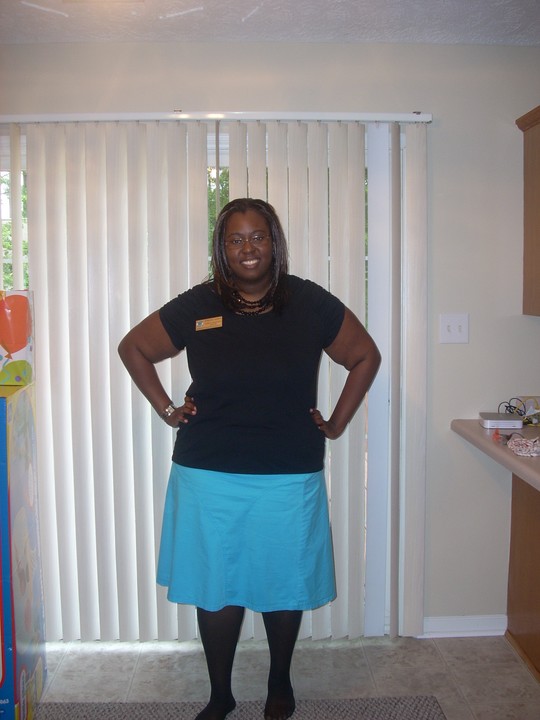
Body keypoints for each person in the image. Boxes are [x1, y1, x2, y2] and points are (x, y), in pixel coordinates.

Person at [118, 198, 381, 720]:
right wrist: (168, 409)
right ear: (222, 248)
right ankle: (221, 694)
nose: (248, 248)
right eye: (235, 239)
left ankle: (279, 682)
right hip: (207, 472)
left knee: (283, 582)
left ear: (274, 242)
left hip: (289, 472)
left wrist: (336, 422)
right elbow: (134, 348)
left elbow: (364, 355)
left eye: (257, 236)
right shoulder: (199, 304)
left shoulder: (309, 302)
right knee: (216, 589)